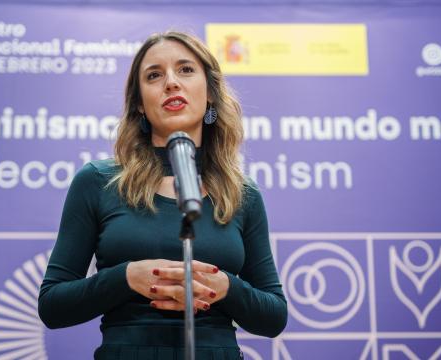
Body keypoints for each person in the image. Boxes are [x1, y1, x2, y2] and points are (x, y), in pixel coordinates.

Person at [38, 30, 287, 359]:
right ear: (140, 104)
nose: (171, 82)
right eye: (154, 75)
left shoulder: (241, 194)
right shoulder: (98, 182)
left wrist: (226, 287)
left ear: (210, 93)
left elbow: (274, 316)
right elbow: (53, 306)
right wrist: (126, 277)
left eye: (185, 70)